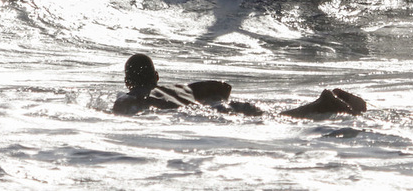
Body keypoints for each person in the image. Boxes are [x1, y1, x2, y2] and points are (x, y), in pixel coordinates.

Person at [110, 53, 366, 118]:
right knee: (273, 115)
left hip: (205, 115)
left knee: (280, 118)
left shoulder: (128, 96)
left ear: (127, 81)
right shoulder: (178, 88)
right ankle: (328, 104)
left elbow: (125, 109)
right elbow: (223, 88)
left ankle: (323, 105)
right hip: (217, 105)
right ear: (157, 76)